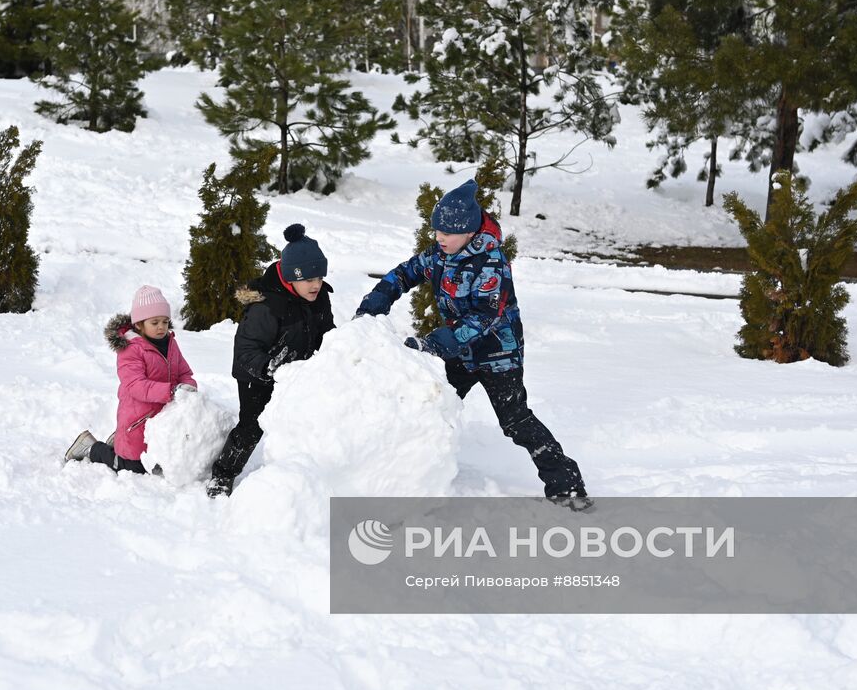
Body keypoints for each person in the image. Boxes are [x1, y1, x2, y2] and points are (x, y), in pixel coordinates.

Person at [356, 180, 593, 511]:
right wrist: (376, 301)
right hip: (461, 355)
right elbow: (404, 273)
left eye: (446, 233)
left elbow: (485, 316)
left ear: (468, 231)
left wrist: (435, 344)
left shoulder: (491, 262)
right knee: (431, 406)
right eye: (436, 230)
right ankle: (413, 474)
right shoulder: (440, 254)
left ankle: (568, 487)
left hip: (499, 354)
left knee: (516, 421)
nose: (439, 237)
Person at [207, 224, 335, 497]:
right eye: (309, 279)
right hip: (257, 377)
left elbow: (326, 332)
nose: (316, 285)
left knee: (303, 423)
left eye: (320, 277)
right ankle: (223, 474)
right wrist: (270, 368)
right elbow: (245, 351)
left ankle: (299, 476)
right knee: (252, 427)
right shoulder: (266, 307)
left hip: (297, 371)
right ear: (291, 277)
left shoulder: (319, 296)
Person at [65, 285, 197, 474]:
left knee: (163, 460)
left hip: (163, 419)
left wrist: (188, 387)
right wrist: (170, 391)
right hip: (138, 419)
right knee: (134, 467)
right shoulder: (130, 349)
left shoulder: (170, 343)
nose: (161, 327)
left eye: (165, 321)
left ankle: (118, 440)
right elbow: (136, 385)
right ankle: (91, 448)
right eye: (155, 322)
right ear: (139, 324)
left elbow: (185, 373)